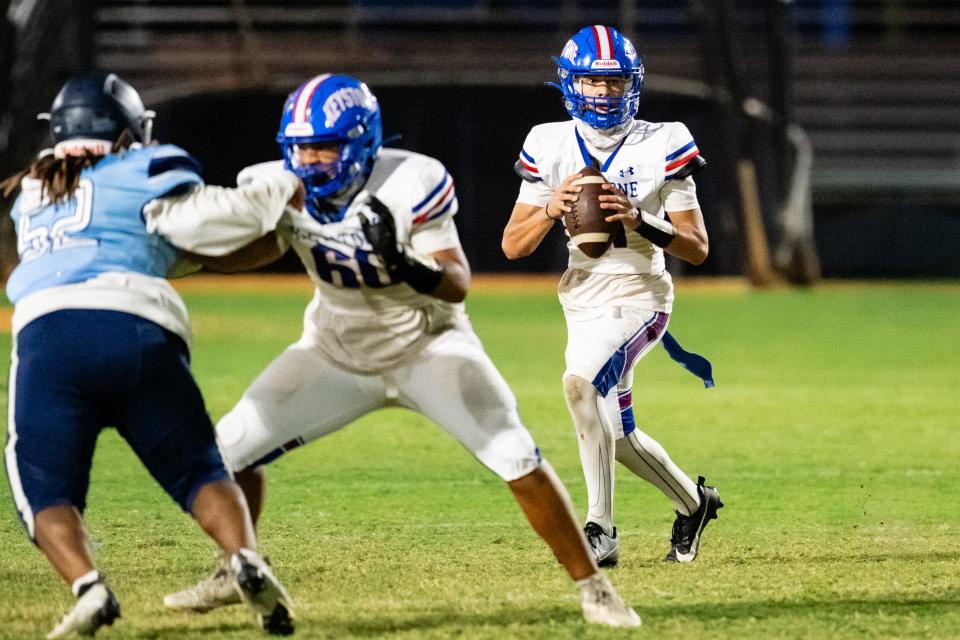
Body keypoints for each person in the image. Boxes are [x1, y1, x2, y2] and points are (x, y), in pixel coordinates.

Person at [162, 73, 640, 628]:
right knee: (225, 454)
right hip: (333, 351)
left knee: (517, 456)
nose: (311, 161)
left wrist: (405, 261)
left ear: (363, 141)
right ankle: (236, 566)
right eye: (301, 149)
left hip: (428, 348)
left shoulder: (412, 180)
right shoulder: (277, 183)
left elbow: (458, 281)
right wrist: (195, 261)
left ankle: (594, 588)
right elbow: (269, 245)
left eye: (325, 147)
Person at [2, 71, 298, 637]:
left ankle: (88, 588)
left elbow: (152, 243)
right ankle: (244, 558)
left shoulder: (31, 192)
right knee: (200, 468)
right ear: (127, 129)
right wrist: (277, 194)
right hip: (139, 329)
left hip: (48, 338)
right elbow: (202, 223)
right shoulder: (145, 167)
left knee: (42, 487)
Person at [501, 25, 724, 567]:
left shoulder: (664, 139)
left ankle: (598, 528)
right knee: (616, 435)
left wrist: (643, 220)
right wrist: (553, 208)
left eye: (615, 81)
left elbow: (696, 248)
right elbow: (512, 245)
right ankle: (694, 504)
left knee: (581, 385)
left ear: (633, 83)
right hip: (582, 298)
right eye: (592, 81)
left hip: (641, 295)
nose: (604, 92)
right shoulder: (547, 141)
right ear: (571, 84)